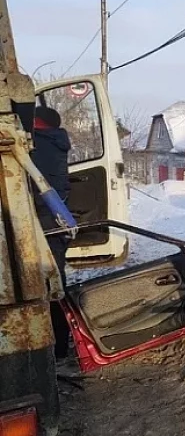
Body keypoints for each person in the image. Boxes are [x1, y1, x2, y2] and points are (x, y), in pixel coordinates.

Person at [30, 105, 72, 361]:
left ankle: (56, 348)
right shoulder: (51, 143)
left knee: (52, 287)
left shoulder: (41, 147)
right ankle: (57, 345)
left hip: (45, 225)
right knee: (54, 284)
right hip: (51, 224)